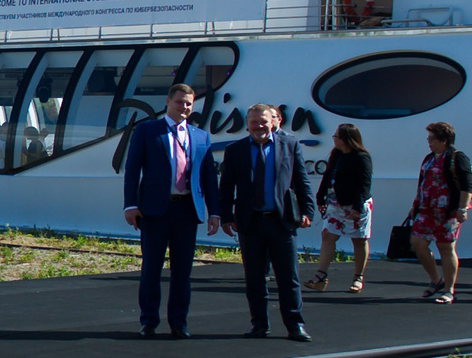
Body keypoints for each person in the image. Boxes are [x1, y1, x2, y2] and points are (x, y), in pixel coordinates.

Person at [208, 105, 315, 341]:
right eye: (254, 123)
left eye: (263, 122)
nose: (259, 127)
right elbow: (225, 187)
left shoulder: (289, 145)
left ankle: (295, 325)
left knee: (289, 278)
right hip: (250, 223)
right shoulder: (235, 150)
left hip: (281, 222)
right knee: (255, 278)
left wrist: (308, 211)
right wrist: (226, 216)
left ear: (273, 122)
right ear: (247, 125)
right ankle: (259, 324)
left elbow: (301, 180)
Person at [120, 84, 210, 338]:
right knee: (152, 268)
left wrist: (213, 211)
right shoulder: (148, 130)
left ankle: (179, 323)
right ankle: (149, 321)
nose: (184, 108)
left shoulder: (200, 136)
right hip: (154, 210)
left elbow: (207, 178)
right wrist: (130, 205)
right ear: (168, 101)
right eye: (180, 102)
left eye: (189, 104)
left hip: (186, 210)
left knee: (183, 270)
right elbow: (133, 169)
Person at [405, 121, 472, 303]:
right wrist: (415, 205)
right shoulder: (429, 158)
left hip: (447, 211)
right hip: (426, 209)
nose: (429, 142)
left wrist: (462, 208)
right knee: (417, 243)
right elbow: (422, 183)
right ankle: (435, 279)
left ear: (444, 140)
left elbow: (467, 184)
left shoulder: (457, 157)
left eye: (432, 139)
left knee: (446, 247)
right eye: (428, 138)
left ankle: (449, 290)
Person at [304, 122, 372, 294]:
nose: (334, 139)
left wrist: (357, 207)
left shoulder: (361, 157)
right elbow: (328, 176)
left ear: (345, 140)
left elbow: (364, 184)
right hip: (336, 204)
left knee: (358, 239)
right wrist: (320, 197)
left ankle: (358, 276)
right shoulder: (336, 155)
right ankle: (321, 275)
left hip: (355, 204)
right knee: (327, 235)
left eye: (336, 136)